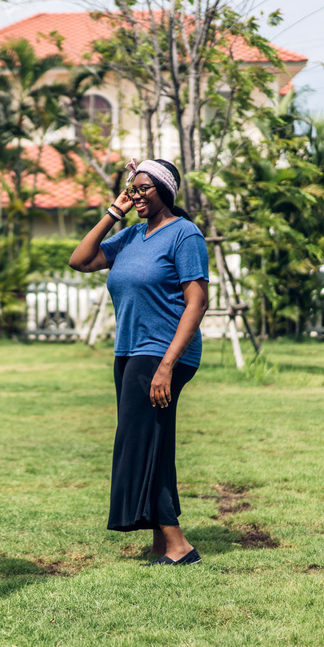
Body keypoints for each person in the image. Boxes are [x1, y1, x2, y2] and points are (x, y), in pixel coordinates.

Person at [69, 158, 209, 566]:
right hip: (130, 352)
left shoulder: (185, 235)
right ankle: (162, 544)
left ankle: (177, 543)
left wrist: (166, 366)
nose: (137, 195)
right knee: (153, 444)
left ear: (166, 191)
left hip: (163, 353)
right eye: (133, 188)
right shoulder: (131, 235)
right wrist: (115, 212)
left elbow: (197, 303)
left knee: (137, 443)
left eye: (144, 188)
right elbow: (80, 260)